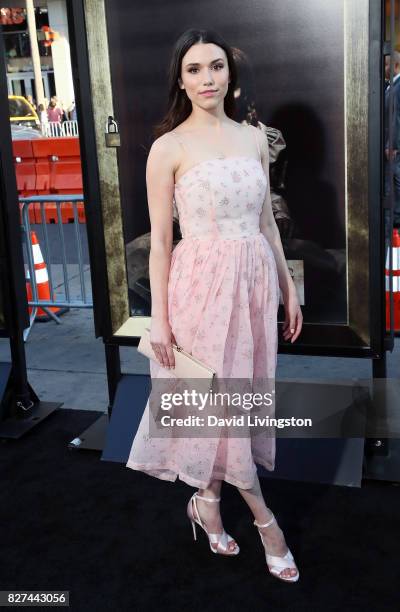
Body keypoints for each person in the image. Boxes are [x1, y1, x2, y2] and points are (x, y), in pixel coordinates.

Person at [126, 28, 303, 582]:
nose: (208, 79)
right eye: (195, 69)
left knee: (237, 401)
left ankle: (206, 501)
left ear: (231, 74)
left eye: (217, 67)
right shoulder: (168, 147)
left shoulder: (254, 137)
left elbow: (267, 222)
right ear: (181, 80)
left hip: (253, 285)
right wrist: (159, 317)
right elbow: (159, 241)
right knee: (216, 403)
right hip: (199, 288)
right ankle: (265, 520)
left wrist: (288, 286)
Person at [384, 51, 400, 229]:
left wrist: (392, 145)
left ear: (395, 65)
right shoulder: (390, 86)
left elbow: (396, 118)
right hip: (390, 145)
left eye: (387, 65)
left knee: (395, 183)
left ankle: (395, 222)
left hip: (393, 147)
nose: (385, 69)